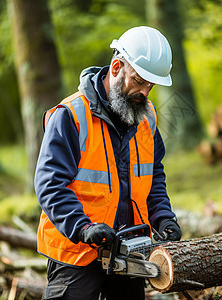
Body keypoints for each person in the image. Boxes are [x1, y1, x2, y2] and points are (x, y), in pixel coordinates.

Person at [34, 26, 182, 300]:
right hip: (77, 254)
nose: (145, 93)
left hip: (131, 253)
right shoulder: (70, 115)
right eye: (139, 81)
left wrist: (163, 217)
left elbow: (154, 176)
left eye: (150, 85)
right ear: (116, 67)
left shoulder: (146, 118)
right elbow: (49, 185)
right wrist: (83, 227)